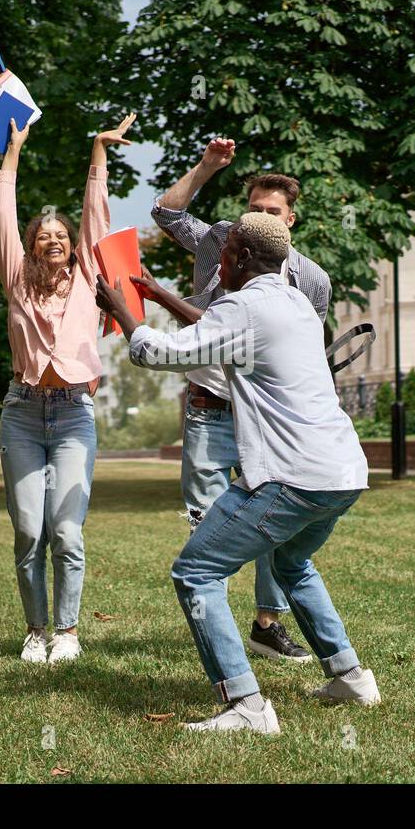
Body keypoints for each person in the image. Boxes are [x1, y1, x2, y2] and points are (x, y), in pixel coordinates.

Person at [96, 212, 380, 734]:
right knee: (293, 563)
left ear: (243, 257)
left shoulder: (244, 305)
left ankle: (246, 705)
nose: (217, 263)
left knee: (196, 572)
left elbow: (162, 353)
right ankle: (349, 675)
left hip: (289, 476)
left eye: (223, 253)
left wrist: (126, 315)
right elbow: (217, 333)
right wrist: (158, 299)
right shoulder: (295, 300)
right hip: (343, 471)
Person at [151, 137, 330, 663]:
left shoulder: (311, 279)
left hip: (269, 418)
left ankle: (265, 625)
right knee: (208, 523)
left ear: (291, 220)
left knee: (276, 517)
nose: (258, 220)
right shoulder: (219, 242)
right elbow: (165, 212)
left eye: (271, 212)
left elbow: (303, 355)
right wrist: (207, 166)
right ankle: (216, 624)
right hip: (211, 404)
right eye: (252, 209)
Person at [0, 112, 136, 663]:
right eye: (41, 236)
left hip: (74, 414)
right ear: (30, 248)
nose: (52, 240)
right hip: (23, 413)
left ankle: (67, 633)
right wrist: (12, 152)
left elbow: (96, 219)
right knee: (29, 529)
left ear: (72, 246)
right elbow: (2, 217)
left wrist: (98, 152)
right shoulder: (16, 282)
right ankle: (35, 629)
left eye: (60, 236)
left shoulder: (88, 281)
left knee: (67, 532)